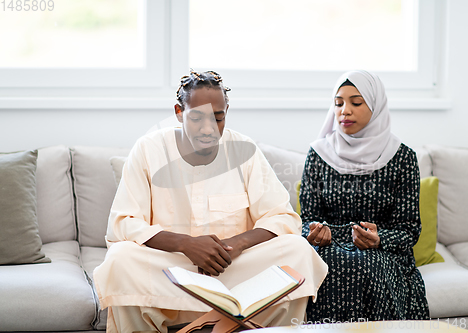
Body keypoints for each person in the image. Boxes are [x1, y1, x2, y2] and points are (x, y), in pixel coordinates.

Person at [93, 70, 328, 333]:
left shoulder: (244, 149)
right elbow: (124, 223)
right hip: (172, 271)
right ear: (179, 112)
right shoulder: (148, 149)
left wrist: (236, 244)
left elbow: (282, 217)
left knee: (297, 249)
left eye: (218, 118)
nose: (208, 129)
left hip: (233, 270)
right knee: (121, 258)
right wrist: (185, 244)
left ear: (227, 111)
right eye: (196, 118)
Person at [300, 70, 430, 323]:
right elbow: (306, 219)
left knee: (366, 266)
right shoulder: (318, 154)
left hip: (384, 253)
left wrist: (379, 238)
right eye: (338, 103)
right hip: (330, 249)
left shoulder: (402, 158)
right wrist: (314, 232)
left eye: (356, 103)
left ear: (376, 106)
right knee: (331, 267)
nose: (344, 111)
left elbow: (409, 229)